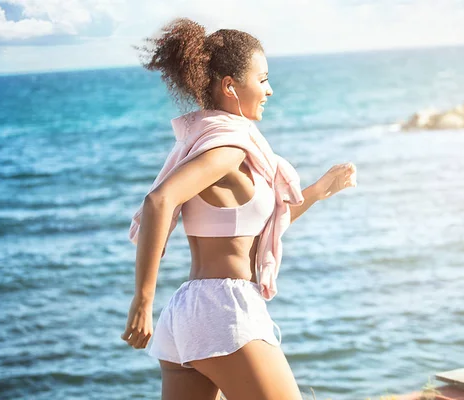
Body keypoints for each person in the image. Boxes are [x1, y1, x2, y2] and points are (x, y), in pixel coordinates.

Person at [120, 18, 357, 400]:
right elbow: (159, 200)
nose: (270, 90)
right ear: (230, 86)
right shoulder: (228, 149)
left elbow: (253, 230)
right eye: (262, 79)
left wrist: (316, 191)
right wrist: (142, 300)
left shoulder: (211, 142)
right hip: (223, 311)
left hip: (188, 312)